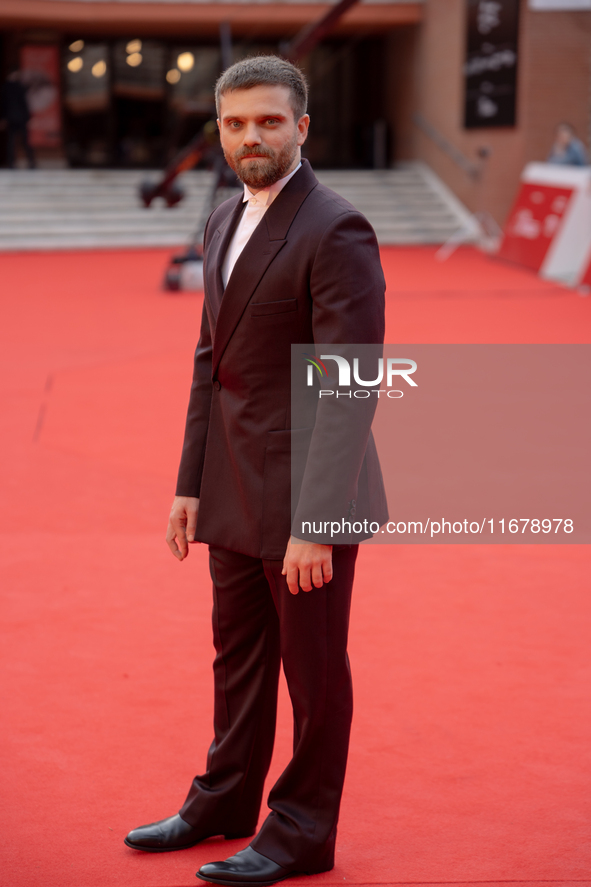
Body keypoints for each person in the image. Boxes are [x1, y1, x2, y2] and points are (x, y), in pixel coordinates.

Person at [124, 55, 387, 885]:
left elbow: (347, 388)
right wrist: (188, 482)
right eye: (235, 124)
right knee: (235, 654)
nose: (251, 137)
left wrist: (316, 520)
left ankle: (303, 829)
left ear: (302, 127)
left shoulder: (334, 226)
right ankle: (223, 798)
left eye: (269, 121)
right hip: (234, 483)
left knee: (311, 671)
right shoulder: (222, 219)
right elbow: (211, 361)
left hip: (309, 489)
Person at [0, 70, 36, 169]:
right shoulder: (19, 87)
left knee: (11, 141)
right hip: (21, 118)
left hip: (11, 118)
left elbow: (3, 104)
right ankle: (31, 162)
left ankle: (11, 163)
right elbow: (24, 104)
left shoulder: (6, 87)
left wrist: (3, 118)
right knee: (24, 141)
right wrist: (28, 118)